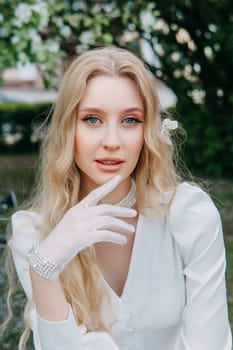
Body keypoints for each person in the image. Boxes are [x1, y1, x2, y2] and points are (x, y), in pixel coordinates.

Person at [7, 46, 232, 350]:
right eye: (92, 119)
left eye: (130, 121)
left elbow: (211, 343)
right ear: (67, 130)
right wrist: (44, 268)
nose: (112, 141)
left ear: (147, 131)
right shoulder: (33, 236)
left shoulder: (190, 215)